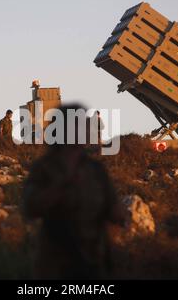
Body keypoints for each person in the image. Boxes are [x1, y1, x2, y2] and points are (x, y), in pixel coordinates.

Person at [22, 104, 124, 279]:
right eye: (80, 124)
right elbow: (30, 209)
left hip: (93, 262)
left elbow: (115, 213)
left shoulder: (96, 169)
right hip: (55, 264)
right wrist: (60, 187)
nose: (86, 129)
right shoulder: (44, 168)